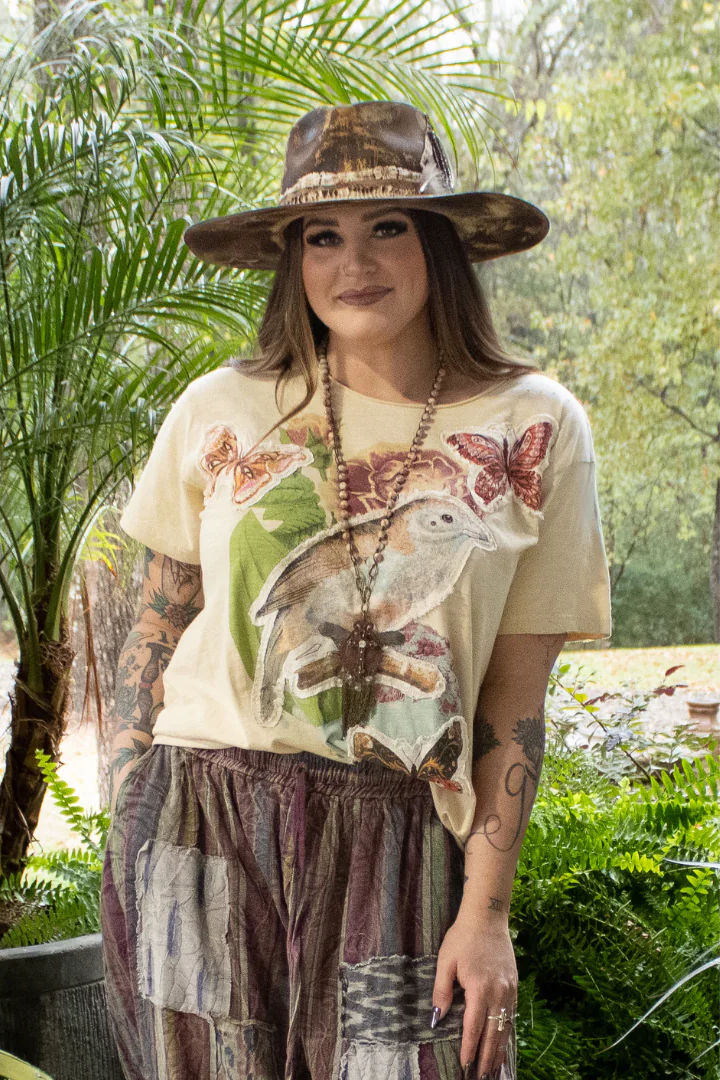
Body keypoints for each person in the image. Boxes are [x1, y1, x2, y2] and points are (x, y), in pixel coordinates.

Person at [100, 100, 612, 1080]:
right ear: (293, 259)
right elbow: (155, 624)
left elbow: (514, 697)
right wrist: (127, 805)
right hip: (201, 821)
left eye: (388, 226)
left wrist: (487, 913)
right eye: (322, 236)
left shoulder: (534, 426)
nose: (354, 262)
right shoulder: (220, 407)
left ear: (440, 243)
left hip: (402, 836)